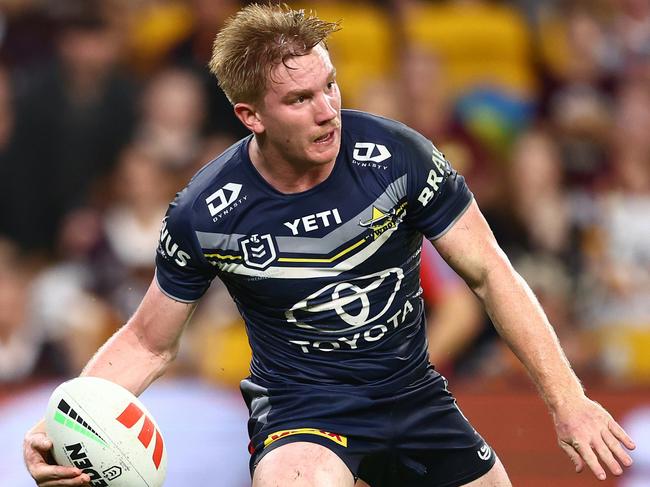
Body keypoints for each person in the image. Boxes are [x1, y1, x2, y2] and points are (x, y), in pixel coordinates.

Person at [24, 4, 635, 486]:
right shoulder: (207, 212)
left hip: (413, 393)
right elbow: (146, 342)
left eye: (330, 86)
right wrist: (63, 421)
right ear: (250, 115)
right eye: (299, 99)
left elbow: (491, 274)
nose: (328, 111)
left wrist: (569, 400)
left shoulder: (399, 157)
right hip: (301, 414)